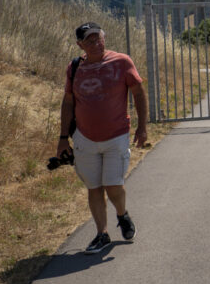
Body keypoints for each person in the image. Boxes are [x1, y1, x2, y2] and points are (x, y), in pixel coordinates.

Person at [57, 22, 149, 254]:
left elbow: (138, 92)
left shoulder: (121, 62)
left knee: (113, 185)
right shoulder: (74, 67)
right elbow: (68, 102)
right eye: (89, 40)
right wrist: (63, 137)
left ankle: (122, 214)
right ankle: (102, 234)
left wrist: (142, 127)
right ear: (80, 45)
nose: (95, 43)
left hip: (116, 136)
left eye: (98, 38)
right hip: (84, 138)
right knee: (94, 187)